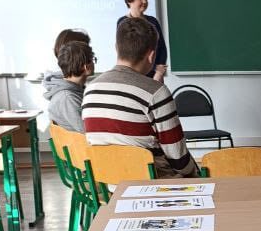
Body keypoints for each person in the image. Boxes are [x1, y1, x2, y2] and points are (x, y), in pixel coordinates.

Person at [83, 16, 199, 177]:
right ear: (151, 55)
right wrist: (198, 174)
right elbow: (178, 158)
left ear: (116, 48)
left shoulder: (90, 89)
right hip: (154, 185)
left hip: (109, 182)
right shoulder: (156, 92)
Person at [44, 39, 95, 133]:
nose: (94, 63)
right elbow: (89, 131)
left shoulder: (71, 92)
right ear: (85, 67)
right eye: (93, 60)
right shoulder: (68, 98)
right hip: (82, 142)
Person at [120, 0, 167, 81]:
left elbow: (162, 48)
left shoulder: (153, 21)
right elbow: (123, 51)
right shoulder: (122, 22)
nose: (144, 1)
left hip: (155, 76)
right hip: (132, 76)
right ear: (129, 0)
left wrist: (158, 74)